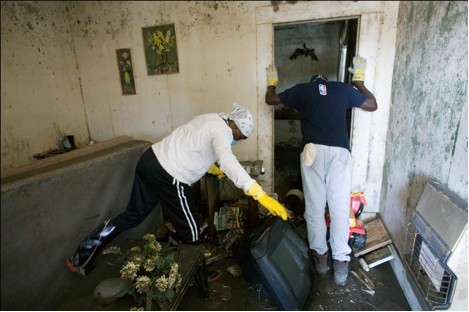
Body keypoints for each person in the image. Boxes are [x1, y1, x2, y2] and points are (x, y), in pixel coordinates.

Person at [66, 103, 288, 277]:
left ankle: (81, 256)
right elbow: (228, 159)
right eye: (240, 137)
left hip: (149, 160)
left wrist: (209, 166)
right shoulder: (223, 132)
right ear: (236, 127)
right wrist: (257, 192)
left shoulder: (210, 118)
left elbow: (191, 144)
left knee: (132, 216)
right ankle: (190, 276)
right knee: (191, 230)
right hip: (169, 175)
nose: (237, 141)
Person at [264, 56, 377, 286]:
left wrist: (272, 81)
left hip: (312, 151)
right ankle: (342, 265)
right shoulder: (343, 89)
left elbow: (270, 100)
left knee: (314, 208)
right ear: (327, 80)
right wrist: (358, 81)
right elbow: (372, 105)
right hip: (339, 153)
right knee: (338, 208)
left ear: (312, 81)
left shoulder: (302, 90)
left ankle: (321, 262)